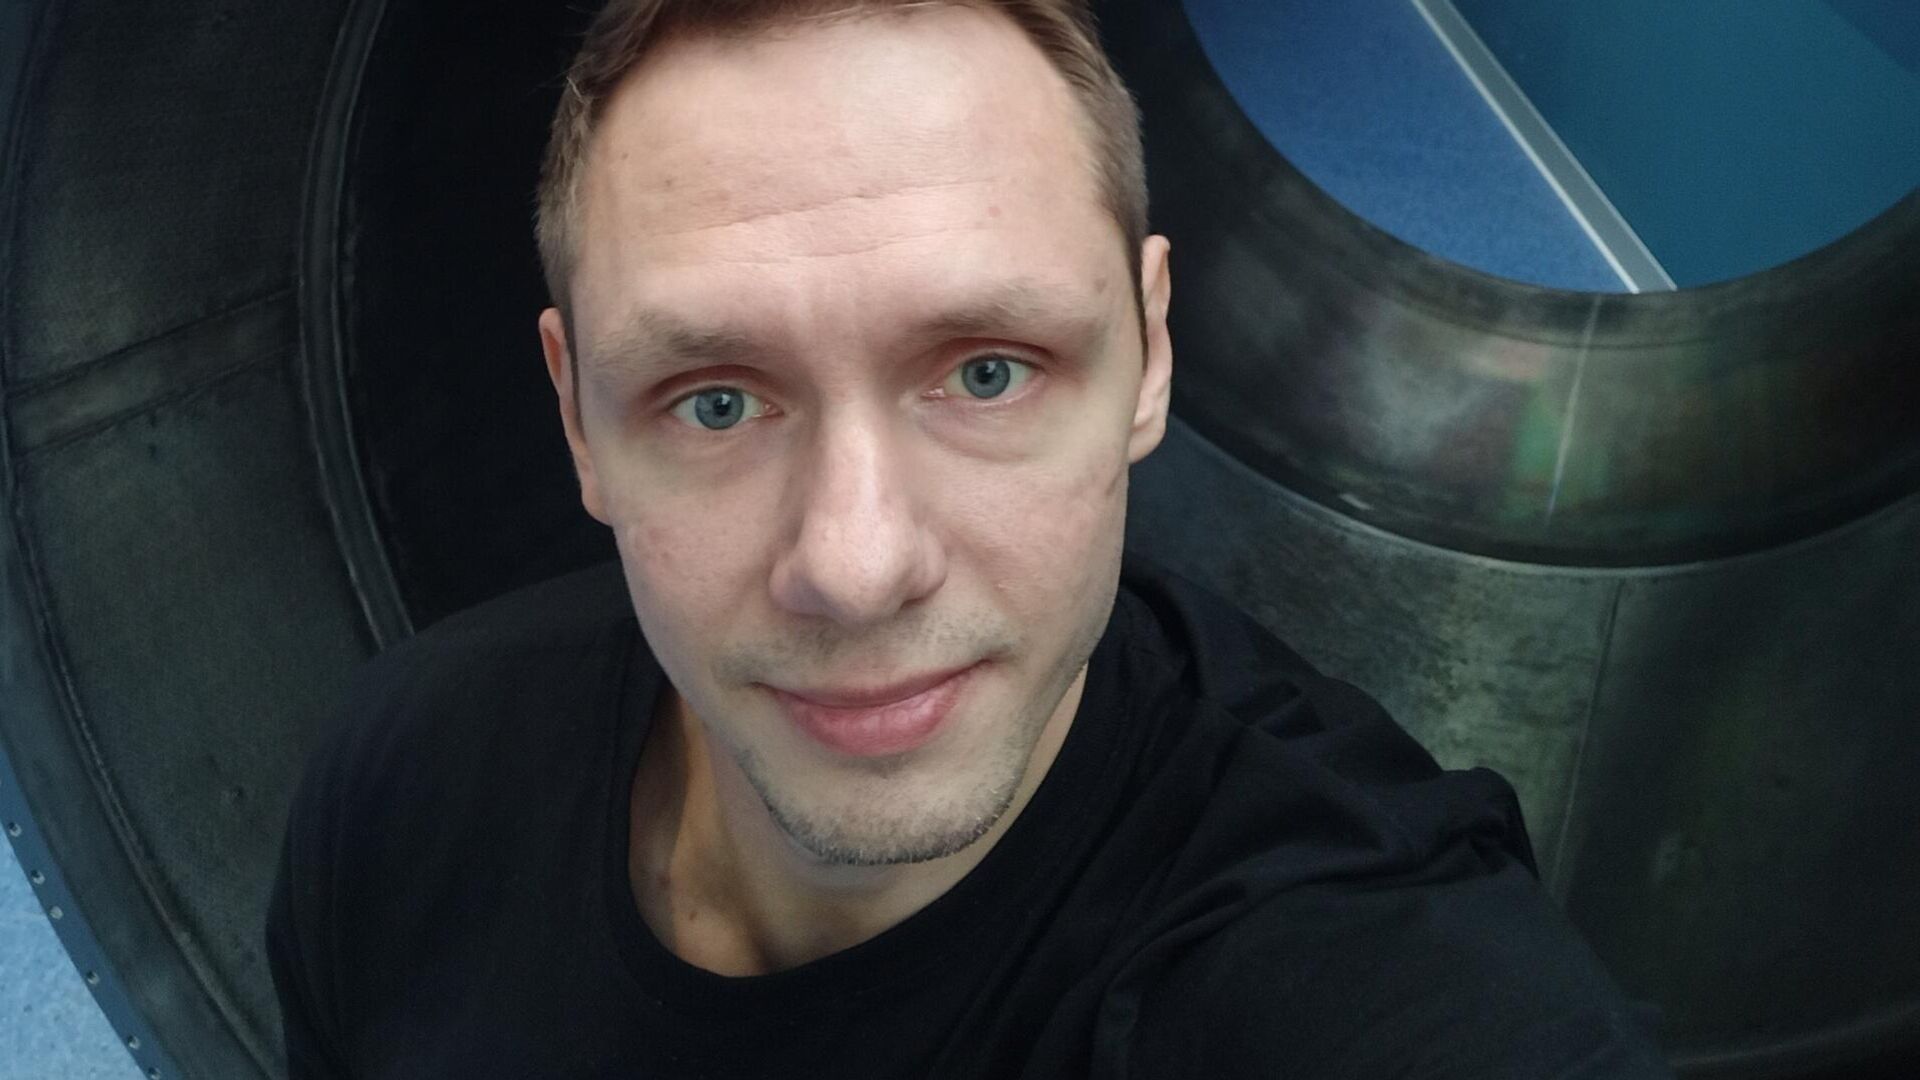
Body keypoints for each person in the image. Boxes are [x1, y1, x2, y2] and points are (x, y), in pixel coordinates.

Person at [264, 1, 1675, 1076]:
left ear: (1151, 352)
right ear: (577, 416)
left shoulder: (1369, 975)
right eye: (717, 402)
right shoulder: (405, 790)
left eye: (986, 373)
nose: (856, 566)